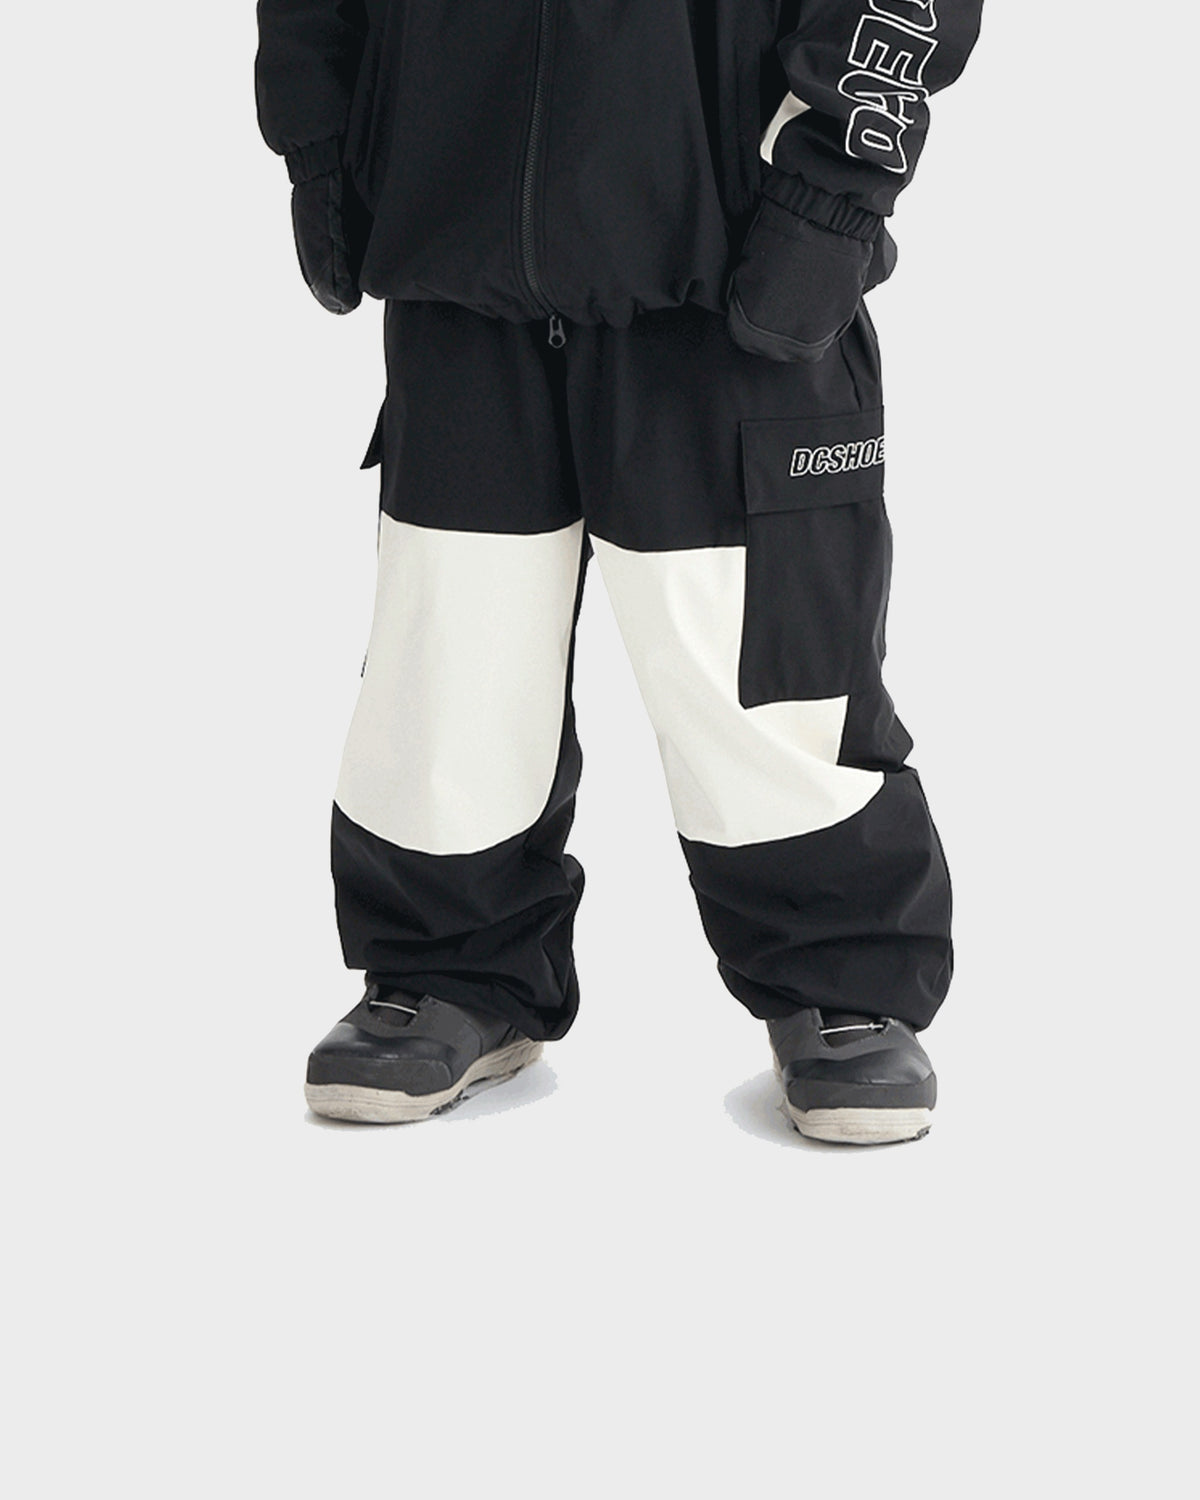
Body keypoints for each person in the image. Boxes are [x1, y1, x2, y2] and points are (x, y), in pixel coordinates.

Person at [254, 0, 984, 1143]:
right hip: (456, 222)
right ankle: (451, 967)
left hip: (728, 250)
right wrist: (321, 130)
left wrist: (830, 189)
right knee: (451, 643)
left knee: (753, 659)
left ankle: (841, 975)